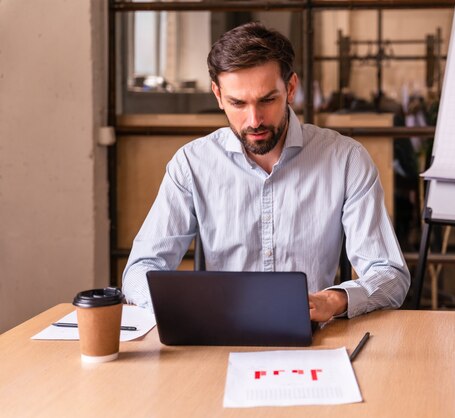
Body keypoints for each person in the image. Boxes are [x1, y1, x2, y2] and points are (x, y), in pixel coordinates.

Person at [122, 22, 410, 322]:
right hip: (218, 335)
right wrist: (178, 307)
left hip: (314, 338)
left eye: (267, 100)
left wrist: (335, 299)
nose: (254, 120)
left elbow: (389, 275)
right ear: (218, 95)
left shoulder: (346, 160)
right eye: (237, 103)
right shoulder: (191, 164)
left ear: (291, 89)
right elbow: (140, 269)